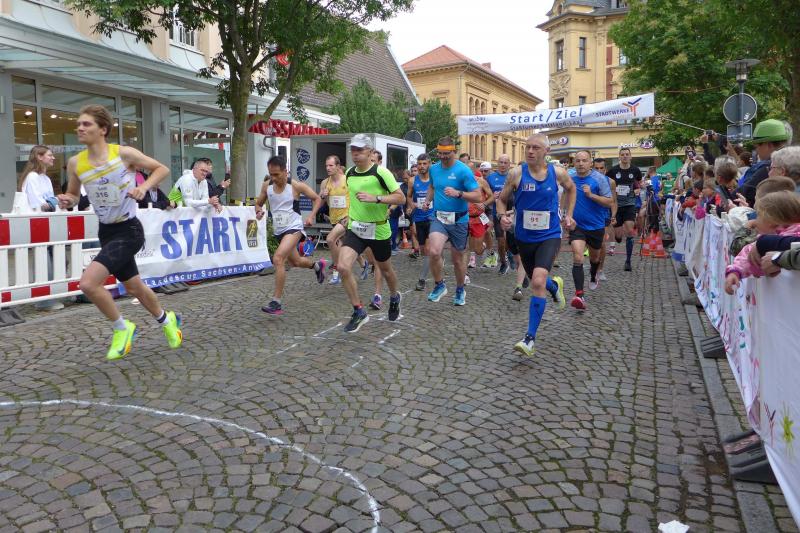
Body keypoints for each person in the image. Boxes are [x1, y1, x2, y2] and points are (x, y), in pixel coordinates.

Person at [56, 104, 182, 360]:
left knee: (88, 284)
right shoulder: (75, 163)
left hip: (129, 230)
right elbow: (73, 193)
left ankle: (123, 328)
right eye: (78, 124)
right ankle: (166, 320)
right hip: (106, 231)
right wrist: (68, 200)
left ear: (103, 129)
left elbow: (161, 169)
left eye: (86, 124)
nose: (80, 128)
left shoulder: (124, 154)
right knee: (134, 287)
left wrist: (143, 187)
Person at [496, 133, 574, 356]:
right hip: (524, 236)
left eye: (536, 147)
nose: (530, 151)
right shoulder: (516, 173)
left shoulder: (557, 173)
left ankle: (529, 338)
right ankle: (554, 286)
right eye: (528, 147)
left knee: (537, 281)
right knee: (536, 280)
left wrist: (568, 214)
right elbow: (501, 200)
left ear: (546, 151)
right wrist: (502, 217)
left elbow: (571, 189)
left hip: (550, 234)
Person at [336, 134, 405, 332]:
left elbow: (400, 198)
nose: (355, 154)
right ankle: (359, 311)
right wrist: (348, 215)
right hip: (356, 228)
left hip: (378, 229)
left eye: (359, 150)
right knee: (343, 267)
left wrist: (376, 198)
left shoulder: (381, 173)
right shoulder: (349, 173)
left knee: (385, 269)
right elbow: (352, 198)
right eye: (353, 150)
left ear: (370, 151)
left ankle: (394, 296)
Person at [255, 156, 326, 315]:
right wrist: (258, 211)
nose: (273, 178)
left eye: (276, 174)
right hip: (279, 230)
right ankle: (317, 266)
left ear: (285, 172)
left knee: (278, 258)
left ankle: (276, 302)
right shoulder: (267, 186)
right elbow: (258, 203)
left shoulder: (295, 186)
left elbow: (316, 199)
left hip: (294, 228)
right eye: (271, 174)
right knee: (296, 261)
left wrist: (311, 216)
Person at [423, 137, 483, 306]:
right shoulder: (434, 169)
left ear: (454, 152)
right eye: (440, 153)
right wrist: (427, 200)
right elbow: (432, 187)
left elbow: (477, 196)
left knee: (457, 260)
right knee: (434, 251)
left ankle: (460, 289)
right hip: (439, 218)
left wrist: (459, 193)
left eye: (446, 153)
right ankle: (439, 285)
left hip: (459, 220)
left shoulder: (463, 171)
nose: (442, 157)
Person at [725, 191, 800, 294]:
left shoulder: (770, 241)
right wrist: (735, 271)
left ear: (771, 221)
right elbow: (747, 255)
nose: (755, 220)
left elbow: (745, 252)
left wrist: (735, 271)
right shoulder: (766, 241)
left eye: (758, 216)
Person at [568, 151, 613, 308]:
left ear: (590, 163)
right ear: (574, 163)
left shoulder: (599, 179)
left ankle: (594, 274)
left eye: (584, 160)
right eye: (578, 161)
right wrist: (565, 215)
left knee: (594, 258)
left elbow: (609, 201)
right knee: (578, 257)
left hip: (596, 225)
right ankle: (579, 295)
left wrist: (591, 195)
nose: (581, 163)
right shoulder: (569, 177)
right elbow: (563, 195)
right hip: (577, 225)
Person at [738, 119, 792, 206]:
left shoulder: (767, 166)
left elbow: (742, 192)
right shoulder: (791, 161)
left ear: (768, 145)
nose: (756, 151)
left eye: (756, 147)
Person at [608, 147, 642, 271]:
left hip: (630, 204)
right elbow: (606, 183)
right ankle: (618, 237)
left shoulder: (635, 170)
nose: (625, 156)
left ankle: (628, 261)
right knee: (618, 236)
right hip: (616, 205)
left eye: (627, 154)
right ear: (619, 157)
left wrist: (638, 189)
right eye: (622, 154)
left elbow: (639, 182)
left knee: (629, 231)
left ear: (630, 156)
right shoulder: (613, 170)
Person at [319, 155, 350, 284]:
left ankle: (336, 272)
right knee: (342, 246)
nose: (328, 168)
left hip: (347, 217)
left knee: (330, 239)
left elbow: (355, 197)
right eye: (326, 165)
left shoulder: (347, 179)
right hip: (334, 218)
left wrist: (352, 215)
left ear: (338, 166)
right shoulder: (325, 183)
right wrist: (323, 195)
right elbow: (321, 200)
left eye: (331, 165)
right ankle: (364, 264)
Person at [406, 153, 435, 291]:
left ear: (429, 164)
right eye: (419, 164)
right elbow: (409, 196)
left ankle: (422, 279)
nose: (422, 166)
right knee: (423, 250)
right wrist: (411, 205)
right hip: (419, 218)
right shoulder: (412, 181)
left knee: (428, 249)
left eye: (424, 164)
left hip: (433, 217)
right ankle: (436, 260)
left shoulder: (434, 179)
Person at [485, 154, 513, 272]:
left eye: (505, 163)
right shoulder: (490, 178)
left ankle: (511, 252)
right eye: (500, 162)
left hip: (512, 212)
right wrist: (492, 196)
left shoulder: (513, 176)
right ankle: (503, 263)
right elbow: (485, 195)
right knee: (501, 241)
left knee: (511, 240)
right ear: (497, 163)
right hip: (498, 213)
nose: (502, 165)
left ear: (509, 164)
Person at [466, 168, 494, 274]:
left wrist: (484, 204)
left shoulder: (481, 182)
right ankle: (470, 259)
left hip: (479, 216)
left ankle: (484, 247)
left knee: (479, 250)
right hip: (465, 217)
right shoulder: (460, 182)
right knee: (467, 240)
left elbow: (491, 196)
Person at [592, 157, 616, 280]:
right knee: (591, 245)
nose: (599, 171)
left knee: (601, 243)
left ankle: (600, 270)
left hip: (604, 215)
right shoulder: (587, 180)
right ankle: (593, 265)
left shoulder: (610, 182)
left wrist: (613, 215)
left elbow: (614, 201)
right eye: (596, 168)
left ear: (605, 169)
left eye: (601, 168)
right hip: (590, 215)